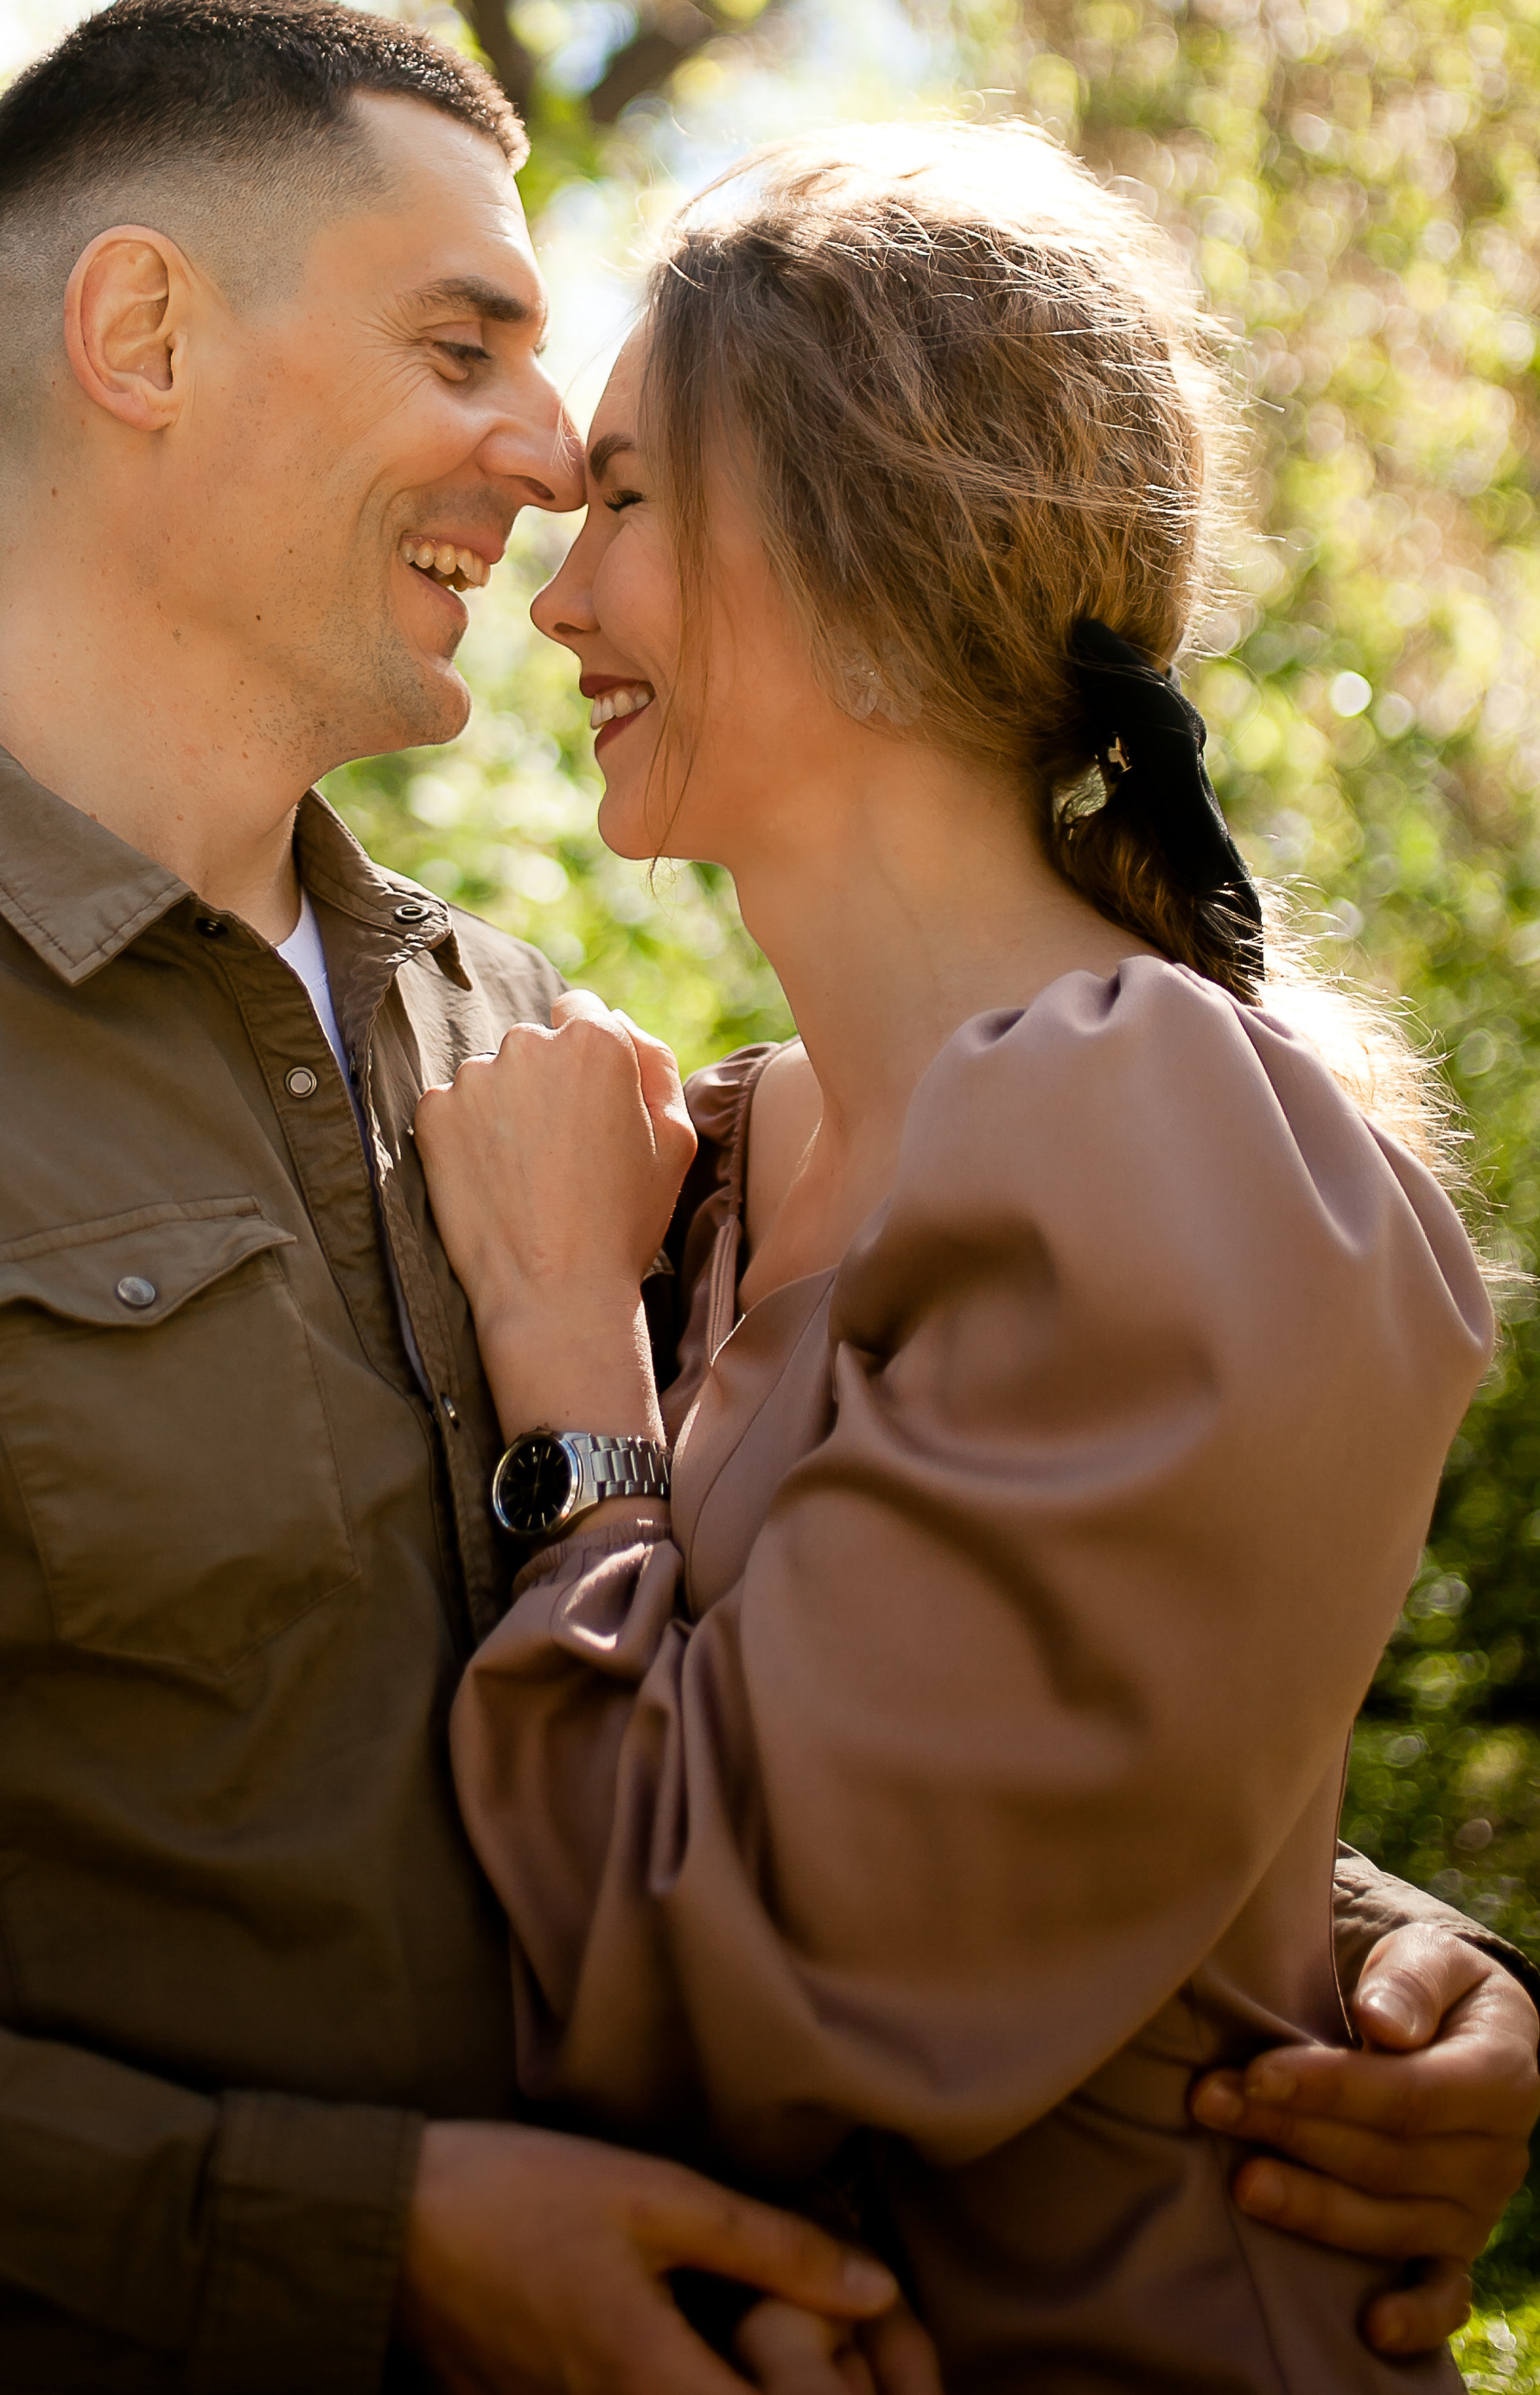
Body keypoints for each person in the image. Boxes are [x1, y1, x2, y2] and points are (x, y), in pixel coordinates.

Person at [0, 2, 1524, 2395]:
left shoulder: (554, 1071)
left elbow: (874, 1657)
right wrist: (333, 2244)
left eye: (593, 442)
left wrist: (1356, 1970)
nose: (530, 462)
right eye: (462, 341)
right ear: (144, 334)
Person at [417, 121, 1538, 2387]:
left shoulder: (1164, 1141)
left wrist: (565, 1381)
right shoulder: (694, 1166)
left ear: (850, 548)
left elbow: (715, 1993)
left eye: (627, 500)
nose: (554, 600)